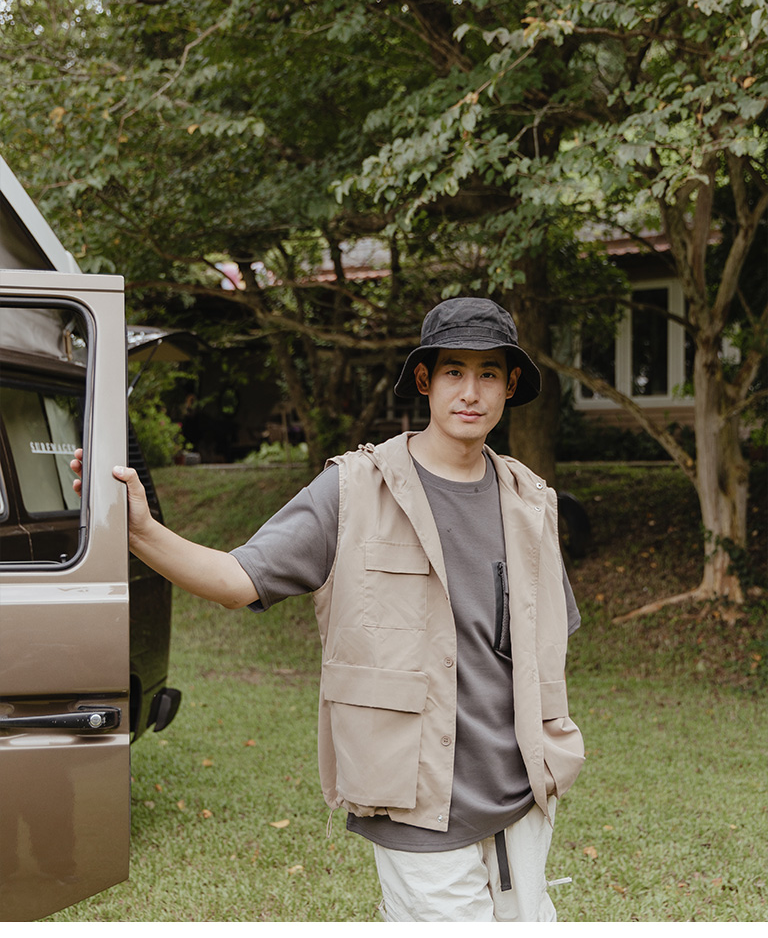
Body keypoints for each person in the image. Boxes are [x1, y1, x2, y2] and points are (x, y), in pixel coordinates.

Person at [72, 297, 584, 922]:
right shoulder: (354, 489)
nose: (471, 391)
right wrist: (142, 532)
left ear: (510, 386)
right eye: (454, 371)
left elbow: (542, 647)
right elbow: (237, 579)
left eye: (489, 373)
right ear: (425, 380)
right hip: (416, 804)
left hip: (523, 798)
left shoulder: (531, 501)